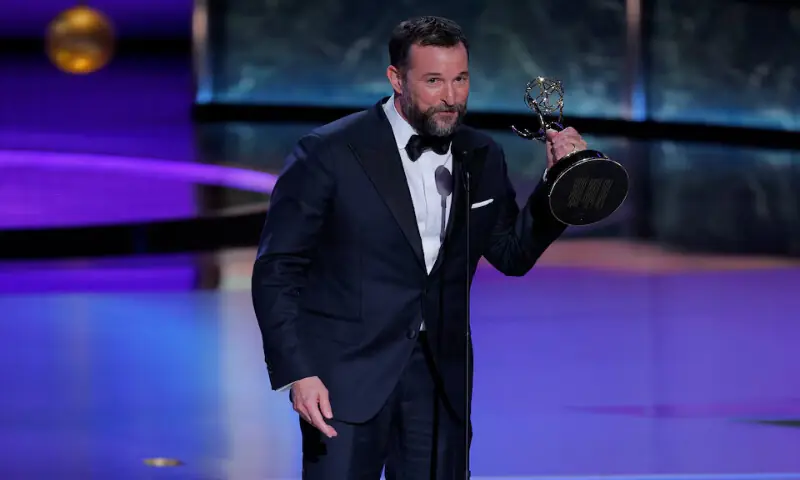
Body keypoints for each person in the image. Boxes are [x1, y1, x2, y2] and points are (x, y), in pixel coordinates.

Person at [252, 15, 589, 480]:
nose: (451, 97)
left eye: (460, 79)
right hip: (344, 380)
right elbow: (277, 269)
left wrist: (559, 188)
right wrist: (298, 372)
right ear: (396, 78)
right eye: (433, 81)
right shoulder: (328, 153)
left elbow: (511, 255)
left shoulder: (480, 154)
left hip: (440, 383)